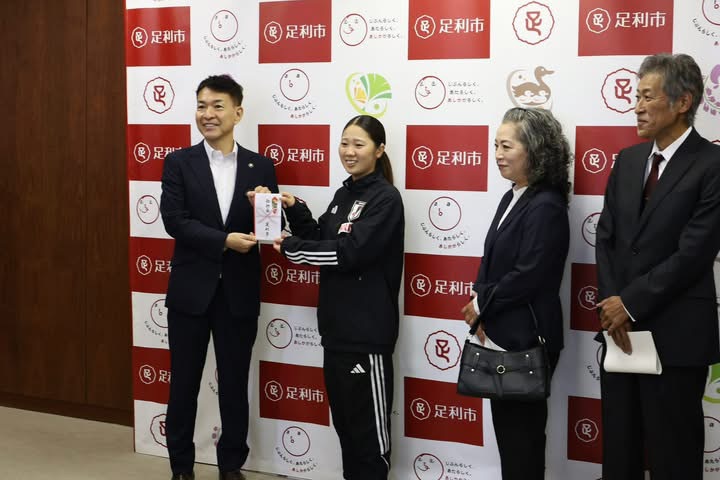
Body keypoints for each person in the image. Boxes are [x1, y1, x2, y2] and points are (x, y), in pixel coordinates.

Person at [595, 53, 720, 479]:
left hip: (677, 338)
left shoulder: (711, 165)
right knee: (620, 455)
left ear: (683, 102)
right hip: (620, 335)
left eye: (648, 97)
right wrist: (613, 307)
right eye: (637, 97)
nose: (637, 107)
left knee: (674, 459)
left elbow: (693, 253)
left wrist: (628, 304)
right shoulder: (628, 160)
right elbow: (606, 239)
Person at [271, 115, 404, 480]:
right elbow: (322, 237)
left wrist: (292, 249)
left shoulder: (386, 199)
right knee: (346, 430)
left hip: (367, 338)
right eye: (345, 143)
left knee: (369, 440)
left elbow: (348, 253)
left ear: (379, 150)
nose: (349, 151)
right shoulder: (344, 194)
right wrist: (294, 207)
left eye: (359, 144)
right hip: (336, 333)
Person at [160, 74, 278, 480]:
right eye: (201, 106)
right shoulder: (178, 162)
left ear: (237, 113)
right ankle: (181, 468)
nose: (207, 114)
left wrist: (266, 207)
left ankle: (231, 466)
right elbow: (175, 221)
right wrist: (223, 241)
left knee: (234, 385)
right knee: (183, 385)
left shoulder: (261, 166)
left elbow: (268, 231)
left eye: (217, 106)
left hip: (238, 294)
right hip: (190, 292)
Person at [461, 107, 571, 480]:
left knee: (523, 442)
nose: (497, 154)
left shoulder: (547, 204)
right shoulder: (513, 196)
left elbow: (530, 274)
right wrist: (479, 306)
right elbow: (490, 259)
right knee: (510, 440)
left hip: (527, 337)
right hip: (501, 333)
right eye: (495, 145)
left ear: (535, 150)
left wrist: (481, 304)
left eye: (506, 146)